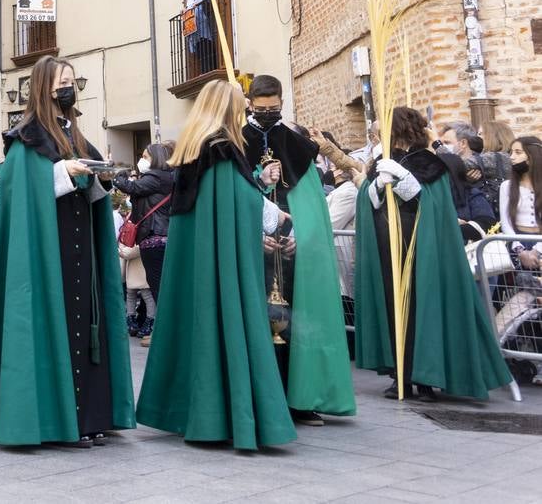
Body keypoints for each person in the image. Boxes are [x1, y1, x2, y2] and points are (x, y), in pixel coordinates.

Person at [0, 56, 135, 448]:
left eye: (72, 81)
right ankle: (56, 420)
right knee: (55, 322)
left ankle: (90, 416)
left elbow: (91, 185)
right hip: (46, 250)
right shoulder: (26, 136)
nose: (69, 87)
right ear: (44, 87)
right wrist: (63, 173)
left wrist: (100, 176)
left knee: (84, 319)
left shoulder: (74, 134)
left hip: (81, 247)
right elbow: (16, 189)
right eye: (62, 81)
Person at [136, 80, 297, 450]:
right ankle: (223, 414)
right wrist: (277, 218)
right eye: (240, 107)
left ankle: (191, 411)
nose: (245, 113)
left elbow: (222, 201)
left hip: (197, 258)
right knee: (220, 323)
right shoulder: (221, 148)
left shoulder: (195, 151)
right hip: (219, 261)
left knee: (196, 324)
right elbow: (238, 200)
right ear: (228, 110)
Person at [354, 106, 512, 401]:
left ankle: (426, 377)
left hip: (421, 248)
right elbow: (368, 200)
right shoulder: (382, 161)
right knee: (393, 309)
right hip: (387, 246)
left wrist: (407, 185)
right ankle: (400, 376)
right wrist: (375, 186)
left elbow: (433, 204)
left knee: (421, 308)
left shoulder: (429, 162)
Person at [242, 75, 356, 426]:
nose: (268, 114)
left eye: (274, 108)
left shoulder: (296, 145)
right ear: (250, 104)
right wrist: (248, 234)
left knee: (298, 325)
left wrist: (301, 238)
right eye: (261, 109)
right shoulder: (235, 142)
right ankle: (259, 399)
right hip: (251, 255)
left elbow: (312, 207)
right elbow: (233, 195)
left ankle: (301, 399)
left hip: (291, 256)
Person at [110, 143, 174, 333]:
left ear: (155, 158)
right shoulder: (168, 177)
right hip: (162, 237)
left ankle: (164, 332)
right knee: (160, 287)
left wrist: (118, 171)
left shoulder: (154, 177)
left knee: (157, 289)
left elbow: (128, 186)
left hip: (154, 238)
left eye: (145, 156)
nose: (142, 160)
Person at [501, 136, 542, 261]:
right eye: (511, 152)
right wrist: (519, 250)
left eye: (518, 152)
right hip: (518, 242)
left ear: (532, 156)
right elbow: (505, 221)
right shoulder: (506, 186)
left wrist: (537, 250)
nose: (512, 157)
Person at [478, 120, 516, 215]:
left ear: (494, 136)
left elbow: (457, 165)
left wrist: (438, 145)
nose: (477, 137)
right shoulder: (509, 155)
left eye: (481, 134)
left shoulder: (493, 157)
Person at [183, 0, 216, 76]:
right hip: (194, 32)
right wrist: (184, 10)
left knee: (207, 51)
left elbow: (209, 7)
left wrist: (199, 4)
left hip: (205, 29)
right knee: (200, 53)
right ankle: (204, 72)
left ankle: (209, 72)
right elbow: (187, 10)